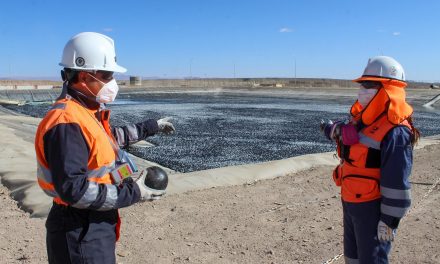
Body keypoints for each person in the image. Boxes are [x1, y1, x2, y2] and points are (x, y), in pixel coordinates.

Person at [34, 32, 176, 264]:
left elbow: (110, 139)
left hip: (92, 223)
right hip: (79, 227)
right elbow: (75, 190)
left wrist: (152, 126)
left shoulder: (85, 113)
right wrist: (134, 192)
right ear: (83, 75)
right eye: (107, 75)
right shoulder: (66, 123)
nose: (112, 82)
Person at [321, 56, 420, 263]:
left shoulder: (396, 132)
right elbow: (350, 138)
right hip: (350, 202)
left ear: (387, 89)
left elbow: (396, 182)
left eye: (368, 85)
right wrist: (331, 129)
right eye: (362, 85)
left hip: (372, 208)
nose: (361, 90)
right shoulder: (363, 121)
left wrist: (388, 220)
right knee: (352, 258)